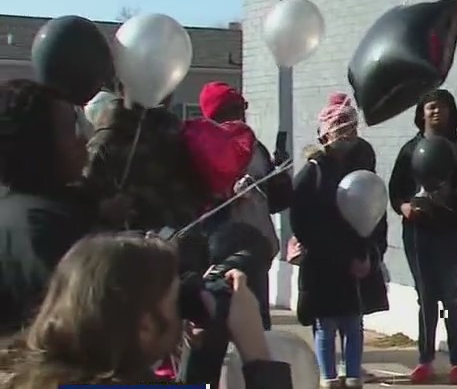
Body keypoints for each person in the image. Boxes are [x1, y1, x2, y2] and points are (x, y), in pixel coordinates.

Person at [0, 233, 304, 389]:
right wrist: (255, 349)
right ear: (145, 326)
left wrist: (202, 351)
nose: (182, 309)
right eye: (175, 300)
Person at [289, 93, 388, 389]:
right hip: (323, 265)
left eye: (350, 126)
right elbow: (302, 221)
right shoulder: (314, 172)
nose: (345, 133)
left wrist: (370, 256)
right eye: (338, 127)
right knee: (325, 329)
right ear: (325, 132)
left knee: (353, 328)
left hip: (358, 263)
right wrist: (330, 254)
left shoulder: (364, 166)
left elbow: (376, 213)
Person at [388, 89, 457, 385]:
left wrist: (447, 201)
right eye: (430, 107)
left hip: (454, 231)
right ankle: (425, 360)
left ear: (452, 112)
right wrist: (404, 207)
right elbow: (395, 190)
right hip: (419, 233)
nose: (436, 112)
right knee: (426, 297)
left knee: (451, 296)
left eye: (442, 107)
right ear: (421, 113)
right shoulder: (410, 149)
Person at [0, 80, 102, 335]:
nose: (83, 141)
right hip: (59, 374)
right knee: (202, 380)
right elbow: (83, 330)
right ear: (39, 144)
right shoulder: (40, 227)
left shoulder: (24, 210)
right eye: (70, 130)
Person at [199, 82, 293, 329]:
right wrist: (229, 193)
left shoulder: (254, 147)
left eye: (241, 108)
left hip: (258, 247)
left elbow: (275, 202)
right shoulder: (204, 149)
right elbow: (198, 202)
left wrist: (281, 178)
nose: (239, 115)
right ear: (215, 115)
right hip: (222, 251)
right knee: (222, 325)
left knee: (258, 326)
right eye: (232, 109)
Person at [83, 88, 209, 232]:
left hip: (173, 232)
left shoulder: (175, 133)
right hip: (127, 238)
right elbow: (87, 195)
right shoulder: (114, 135)